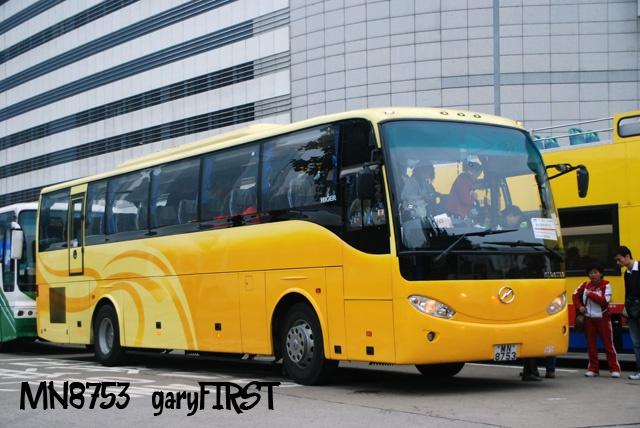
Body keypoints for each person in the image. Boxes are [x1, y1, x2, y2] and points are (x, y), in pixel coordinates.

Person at [572, 263, 621, 378]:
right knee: (591, 346)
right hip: (589, 319)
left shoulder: (606, 286)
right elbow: (575, 296)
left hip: (603, 319)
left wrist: (591, 294)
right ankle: (593, 369)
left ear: (601, 274)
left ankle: (615, 369)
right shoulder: (585, 285)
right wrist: (579, 306)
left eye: (595, 273)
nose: (593, 275)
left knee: (608, 345)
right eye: (591, 273)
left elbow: (605, 302)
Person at [614, 246, 640, 380]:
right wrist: (626, 313)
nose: (618, 263)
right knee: (636, 342)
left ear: (627, 257)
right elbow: (628, 294)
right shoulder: (627, 273)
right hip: (633, 312)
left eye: (619, 259)